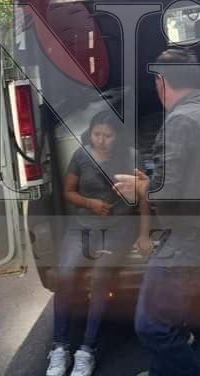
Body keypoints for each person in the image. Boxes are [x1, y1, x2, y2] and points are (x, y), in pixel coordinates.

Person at [114, 48, 200, 376]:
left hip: (188, 241)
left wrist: (141, 189)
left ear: (162, 82)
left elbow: (169, 191)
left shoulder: (179, 122)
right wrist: (151, 183)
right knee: (165, 319)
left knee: (151, 326)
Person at [45, 111, 151, 376]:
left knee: (102, 277)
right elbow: (68, 192)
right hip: (82, 227)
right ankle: (59, 347)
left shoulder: (132, 157)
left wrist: (144, 235)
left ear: (118, 137)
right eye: (96, 134)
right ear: (90, 133)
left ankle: (87, 350)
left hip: (119, 228)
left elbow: (144, 200)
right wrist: (89, 203)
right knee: (66, 276)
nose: (100, 140)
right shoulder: (81, 155)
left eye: (107, 135)